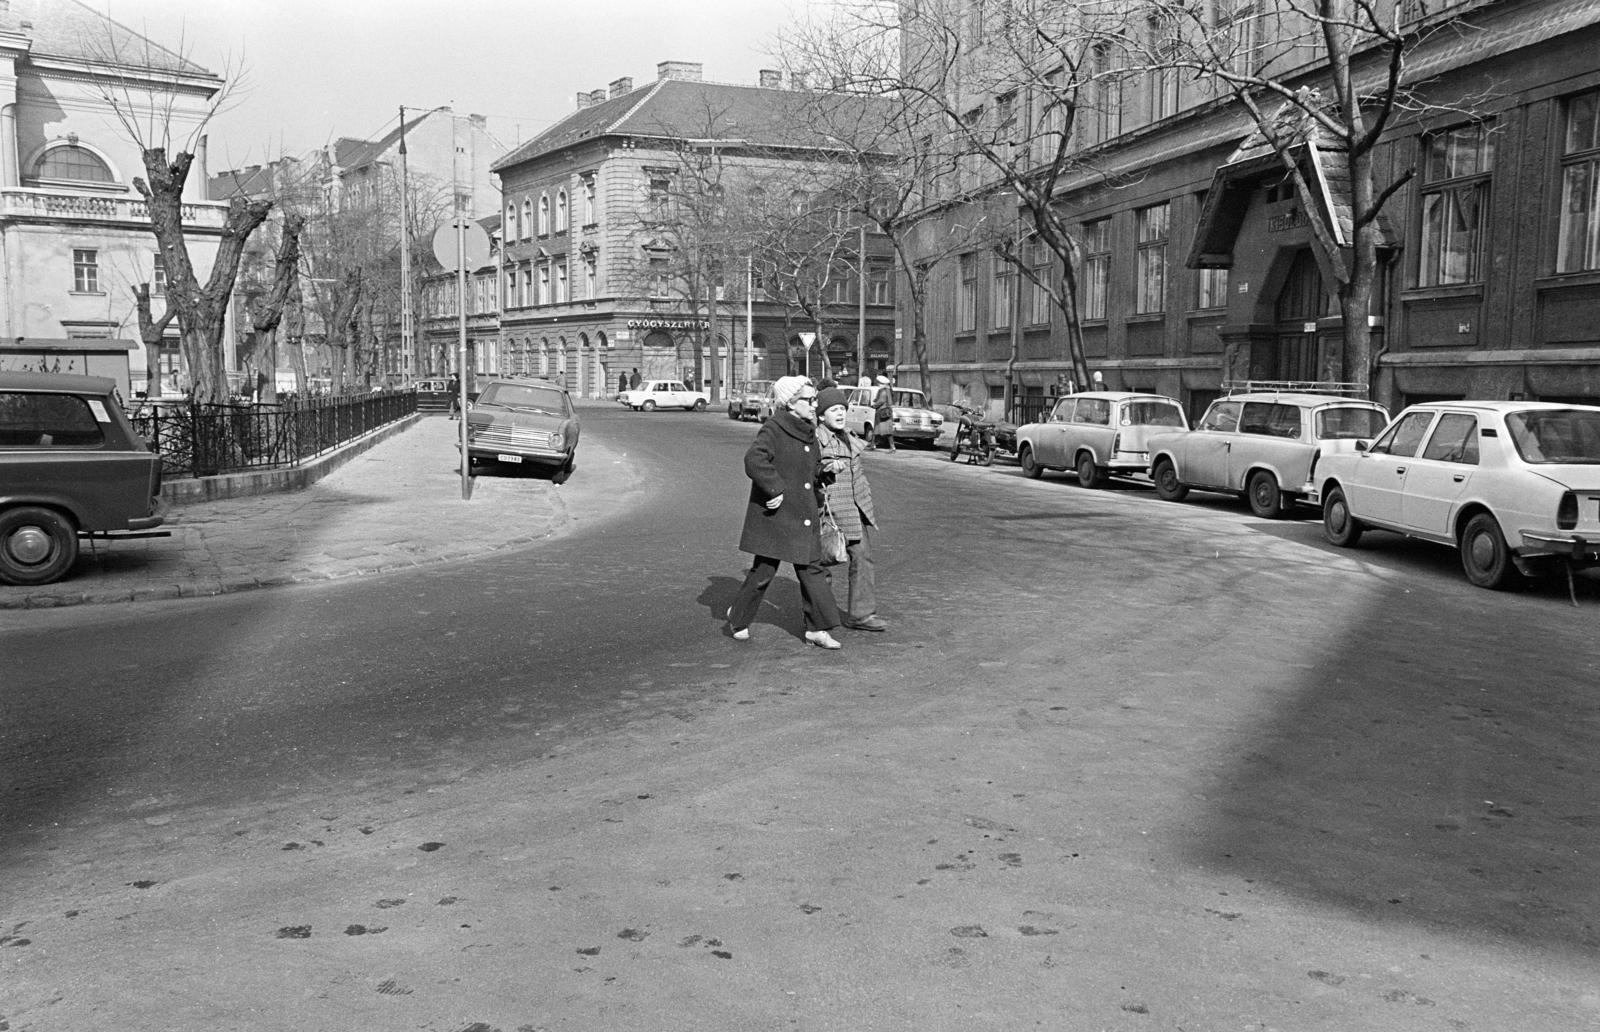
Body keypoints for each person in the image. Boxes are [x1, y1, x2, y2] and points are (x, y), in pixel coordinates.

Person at [726, 375, 845, 650]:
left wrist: (824, 471)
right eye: (809, 400)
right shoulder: (773, 428)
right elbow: (754, 460)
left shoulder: (807, 429)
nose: (815, 405)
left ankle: (817, 629)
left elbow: (809, 471)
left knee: (812, 571)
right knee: (764, 571)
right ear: (791, 403)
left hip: (804, 513)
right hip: (779, 516)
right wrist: (775, 489)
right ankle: (738, 617)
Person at [815, 386, 888, 632]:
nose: (839, 414)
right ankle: (819, 617)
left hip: (854, 511)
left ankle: (861, 614)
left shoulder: (849, 437)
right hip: (827, 512)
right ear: (821, 414)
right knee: (822, 561)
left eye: (842, 409)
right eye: (833, 410)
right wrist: (824, 470)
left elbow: (859, 475)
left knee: (863, 558)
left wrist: (866, 501)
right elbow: (807, 472)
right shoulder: (815, 439)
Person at [872, 374, 896, 452]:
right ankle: (874, 444)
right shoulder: (888, 390)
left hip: (882, 412)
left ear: (882, 384)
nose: (878, 385)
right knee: (886, 431)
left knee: (878, 429)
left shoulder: (883, 391)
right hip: (887, 412)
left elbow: (881, 401)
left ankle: (874, 444)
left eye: (879, 383)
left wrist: (874, 405)